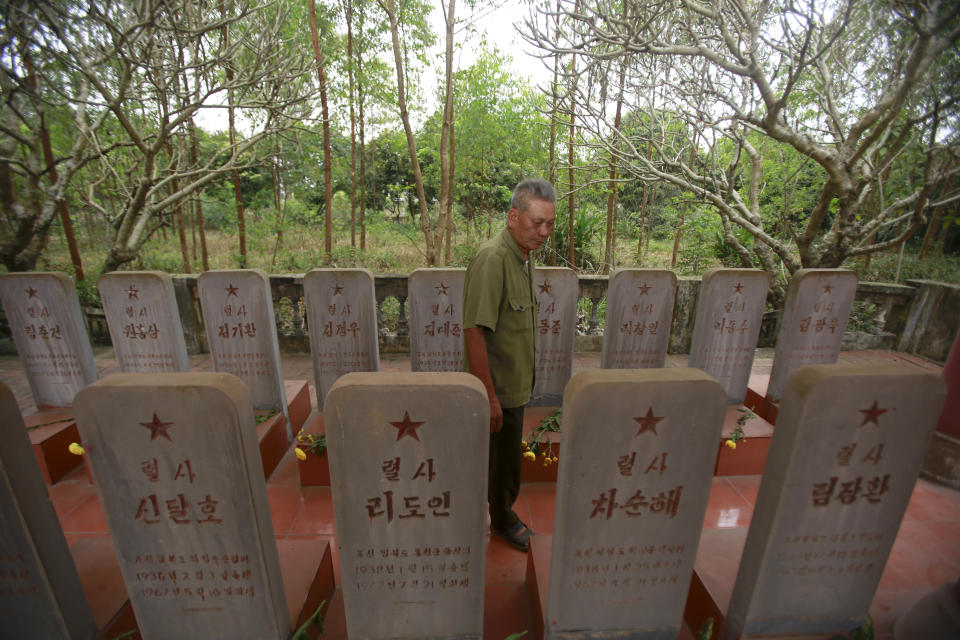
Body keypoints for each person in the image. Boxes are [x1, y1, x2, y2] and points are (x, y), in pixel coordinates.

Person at [462, 178, 556, 552]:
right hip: (498, 387)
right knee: (503, 464)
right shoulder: (494, 259)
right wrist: (489, 395)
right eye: (537, 223)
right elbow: (474, 329)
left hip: (514, 384)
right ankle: (502, 519)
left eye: (549, 224)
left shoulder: (521, 256)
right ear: (513, 217)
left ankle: (498, 511)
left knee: (504, 458)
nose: (544, 232)